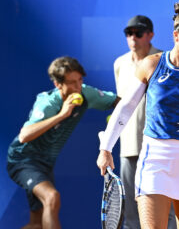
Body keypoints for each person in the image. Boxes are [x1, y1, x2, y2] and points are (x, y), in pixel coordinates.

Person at [96, 1, 179, 229]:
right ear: (176, 36)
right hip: (155, 158)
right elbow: (125, 108)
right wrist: (106, 148)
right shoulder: (150, 64)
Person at [6, 56, 119, 229]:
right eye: (72, 83)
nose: (78, 87)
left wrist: (119, 118)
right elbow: (24, 135)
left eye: (80, 80)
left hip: (46, 163)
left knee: (36, 224)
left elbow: (119, 102)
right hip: (23, 160)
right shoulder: (48, 103)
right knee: (52, 197)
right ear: (58, 84)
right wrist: (62, 115)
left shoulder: (86, 94)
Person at [114, 15, 176, 228]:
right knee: (131, 212)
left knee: (166, 209)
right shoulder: (120, 64)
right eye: (129, 33)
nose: (133, 37)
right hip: (129, 147)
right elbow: (122, 105)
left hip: (159, 147)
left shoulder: (162, 60)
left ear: (150, 35)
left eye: (138, 33)